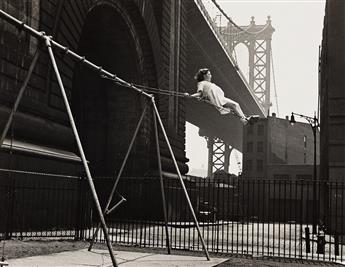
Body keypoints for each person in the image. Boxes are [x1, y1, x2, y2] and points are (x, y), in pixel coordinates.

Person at [184, 68, 258, 125]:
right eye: (209, 74)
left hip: (221, 97)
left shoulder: (208, 83)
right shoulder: (201, 83)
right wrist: (190, 96)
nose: (211, 76)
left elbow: (204, 95)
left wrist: (204, 97)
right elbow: (200, 93)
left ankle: (245, 119)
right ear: (204, 76)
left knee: (235, 105)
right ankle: (244, 120)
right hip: (217, 99)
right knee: (234, 105)